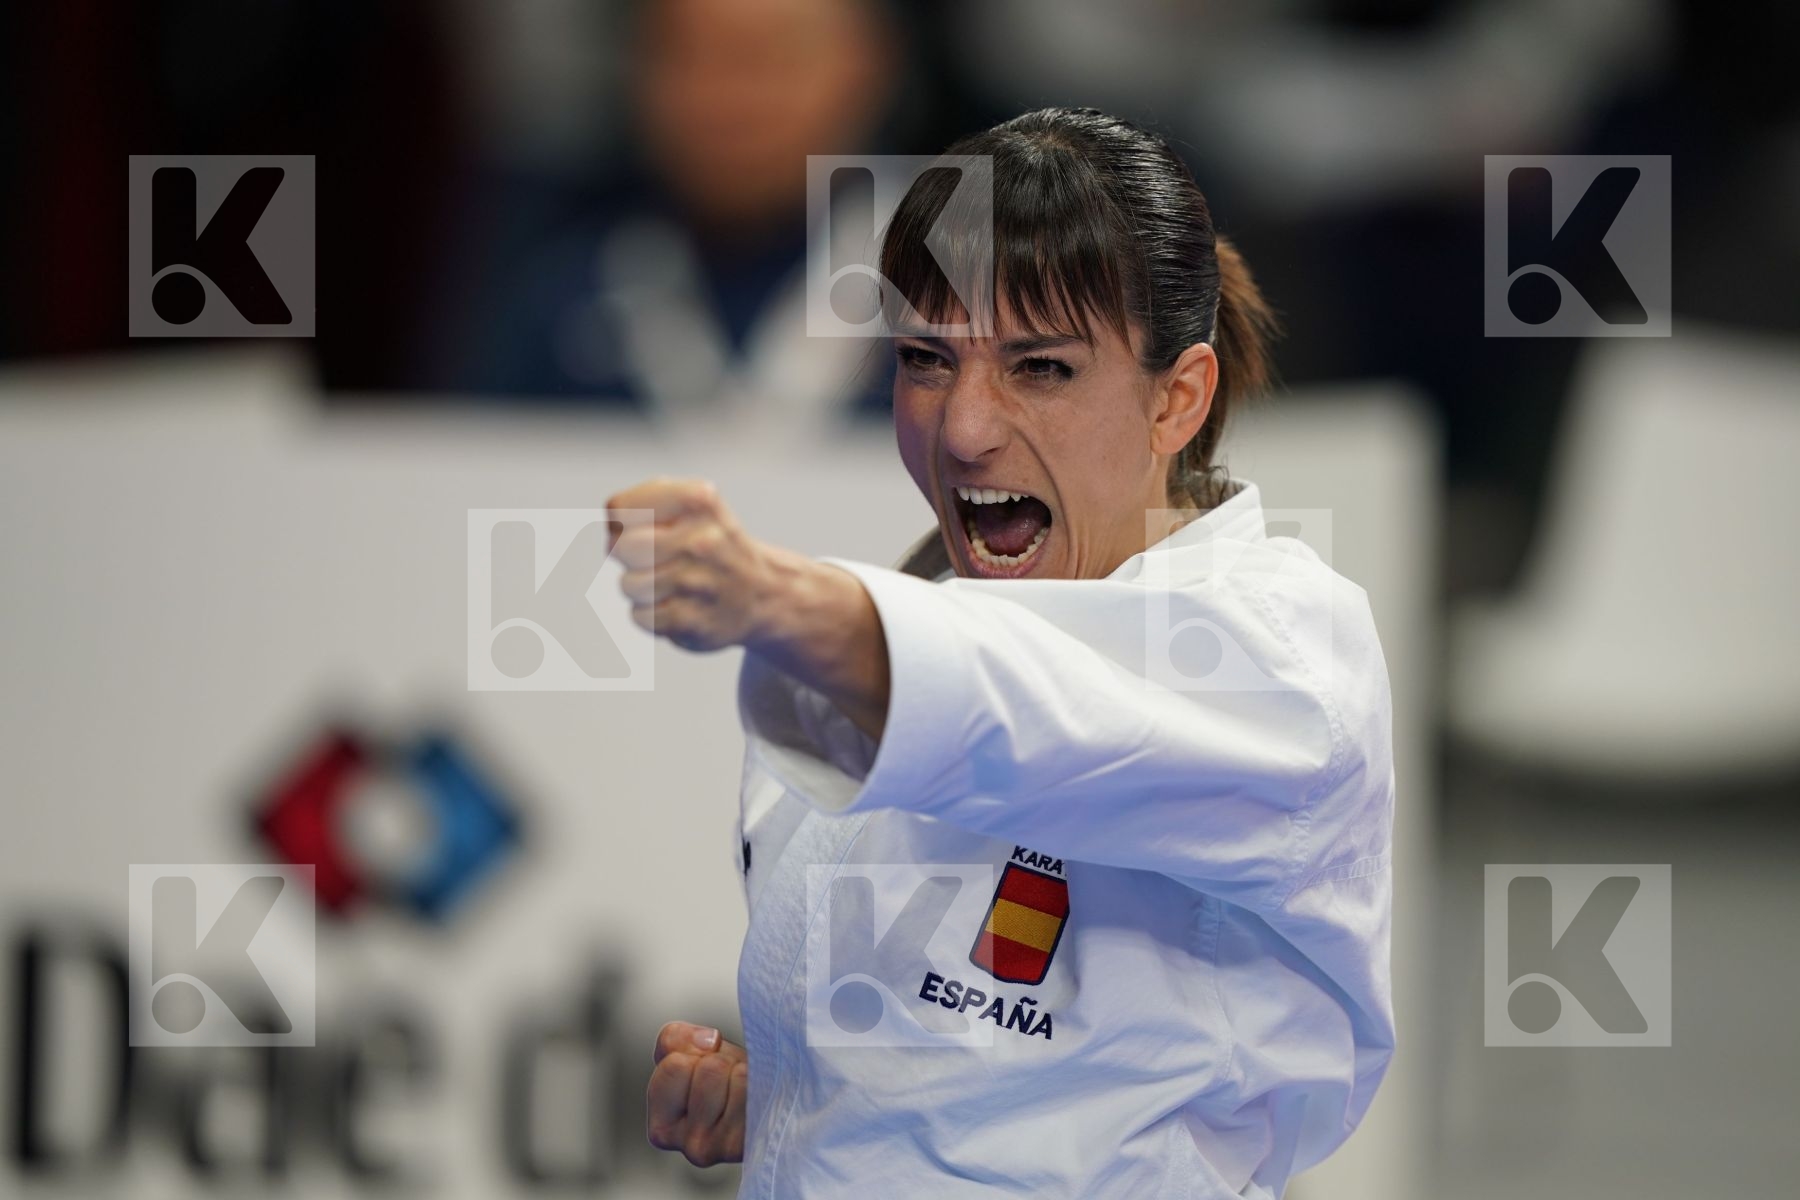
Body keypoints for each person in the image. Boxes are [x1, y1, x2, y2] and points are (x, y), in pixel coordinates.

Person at [609, 108, 1395, 1197]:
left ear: (1179, 396)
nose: (965, 427)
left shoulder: (1278, 655)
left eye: (1040, 368)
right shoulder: (914, 610)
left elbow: (1033, 716)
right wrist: (794, 1102)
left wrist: (771, 596)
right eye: (926, 358)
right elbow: (1005, 1084)